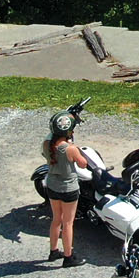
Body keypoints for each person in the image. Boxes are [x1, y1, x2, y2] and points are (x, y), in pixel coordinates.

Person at [43, 112, 89, 268]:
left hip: (52, 185)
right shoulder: (70, 149)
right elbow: (83, 164)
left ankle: (53, 250)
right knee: (68, 223)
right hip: (68, 188)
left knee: (56, 219)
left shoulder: (47, 144)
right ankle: (69, 257)